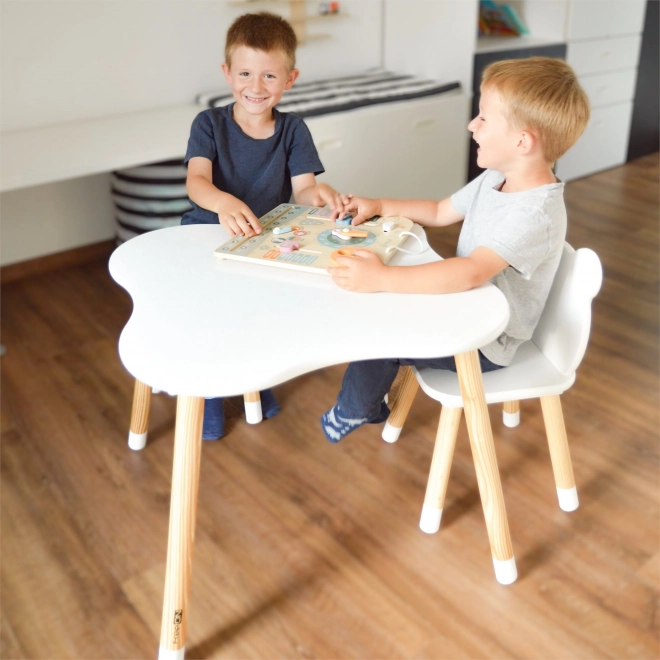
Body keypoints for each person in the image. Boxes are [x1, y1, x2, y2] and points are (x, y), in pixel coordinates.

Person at [320, 56, 590, 443]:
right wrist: (379, 205)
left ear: (522, 141)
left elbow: (470, 272)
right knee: (382, 305)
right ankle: (369, 399)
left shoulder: (535, 214)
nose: (471, 125)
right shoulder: (498, 177)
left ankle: (356, 409)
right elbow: (439, 211)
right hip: (468, 307)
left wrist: (383, 277)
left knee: (380, 330)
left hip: (486, 341)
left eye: (483, 118)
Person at [182, 12, 348, 440]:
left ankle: (254, 382)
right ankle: (212, 396)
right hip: (205, 235)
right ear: (227, 73)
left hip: (260, 241)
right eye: (245, 73)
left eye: (269, 75)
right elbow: (197, 181)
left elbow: (305, 192)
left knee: (258, 316)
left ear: (289, 79)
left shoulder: (293, 130)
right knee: (211, 317)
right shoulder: (209, 124)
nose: (256, 87)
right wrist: (223, 202)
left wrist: (323, 195)